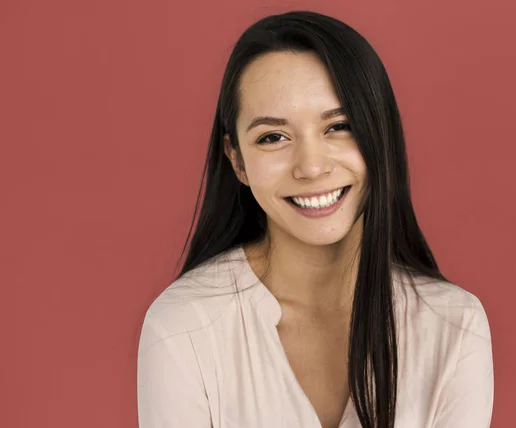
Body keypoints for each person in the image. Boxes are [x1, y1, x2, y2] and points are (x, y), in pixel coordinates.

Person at [136, 10, 494, 428]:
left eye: (339, 126)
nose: (310, 167)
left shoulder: (453, 326)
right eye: (273, 137)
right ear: (237, 160)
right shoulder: (184, 328)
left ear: (381, 134)